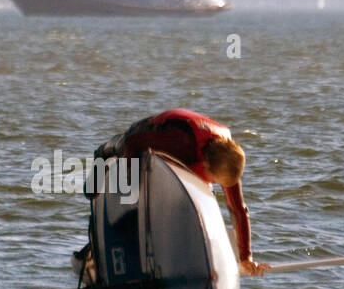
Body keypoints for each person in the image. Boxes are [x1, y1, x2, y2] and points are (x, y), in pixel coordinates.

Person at [83, 109, 268, 276]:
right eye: (213, 180)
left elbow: (238, 210)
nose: (213, 184)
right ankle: (99, 159)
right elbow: (134, 142)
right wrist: (131, 189)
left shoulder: (229, 159)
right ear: (205, 164)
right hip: (144, 131)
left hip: (193, 141)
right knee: (96, 179)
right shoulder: (181, 144)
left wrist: (246, 258)